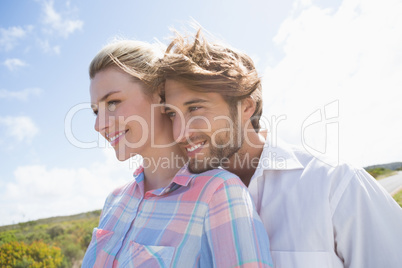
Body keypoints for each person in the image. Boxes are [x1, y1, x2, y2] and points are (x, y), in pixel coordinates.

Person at [157, 29, 402, 267]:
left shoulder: (336, 184)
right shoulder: (182, 204)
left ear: (246, 107)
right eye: (171, 114)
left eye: (195, 108)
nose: (179, 133)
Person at [81, 39, 273, 267]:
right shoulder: (115, 200)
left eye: (113, 103)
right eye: (96, 112)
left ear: (160, 97)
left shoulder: (219, 193)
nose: (99, 125)